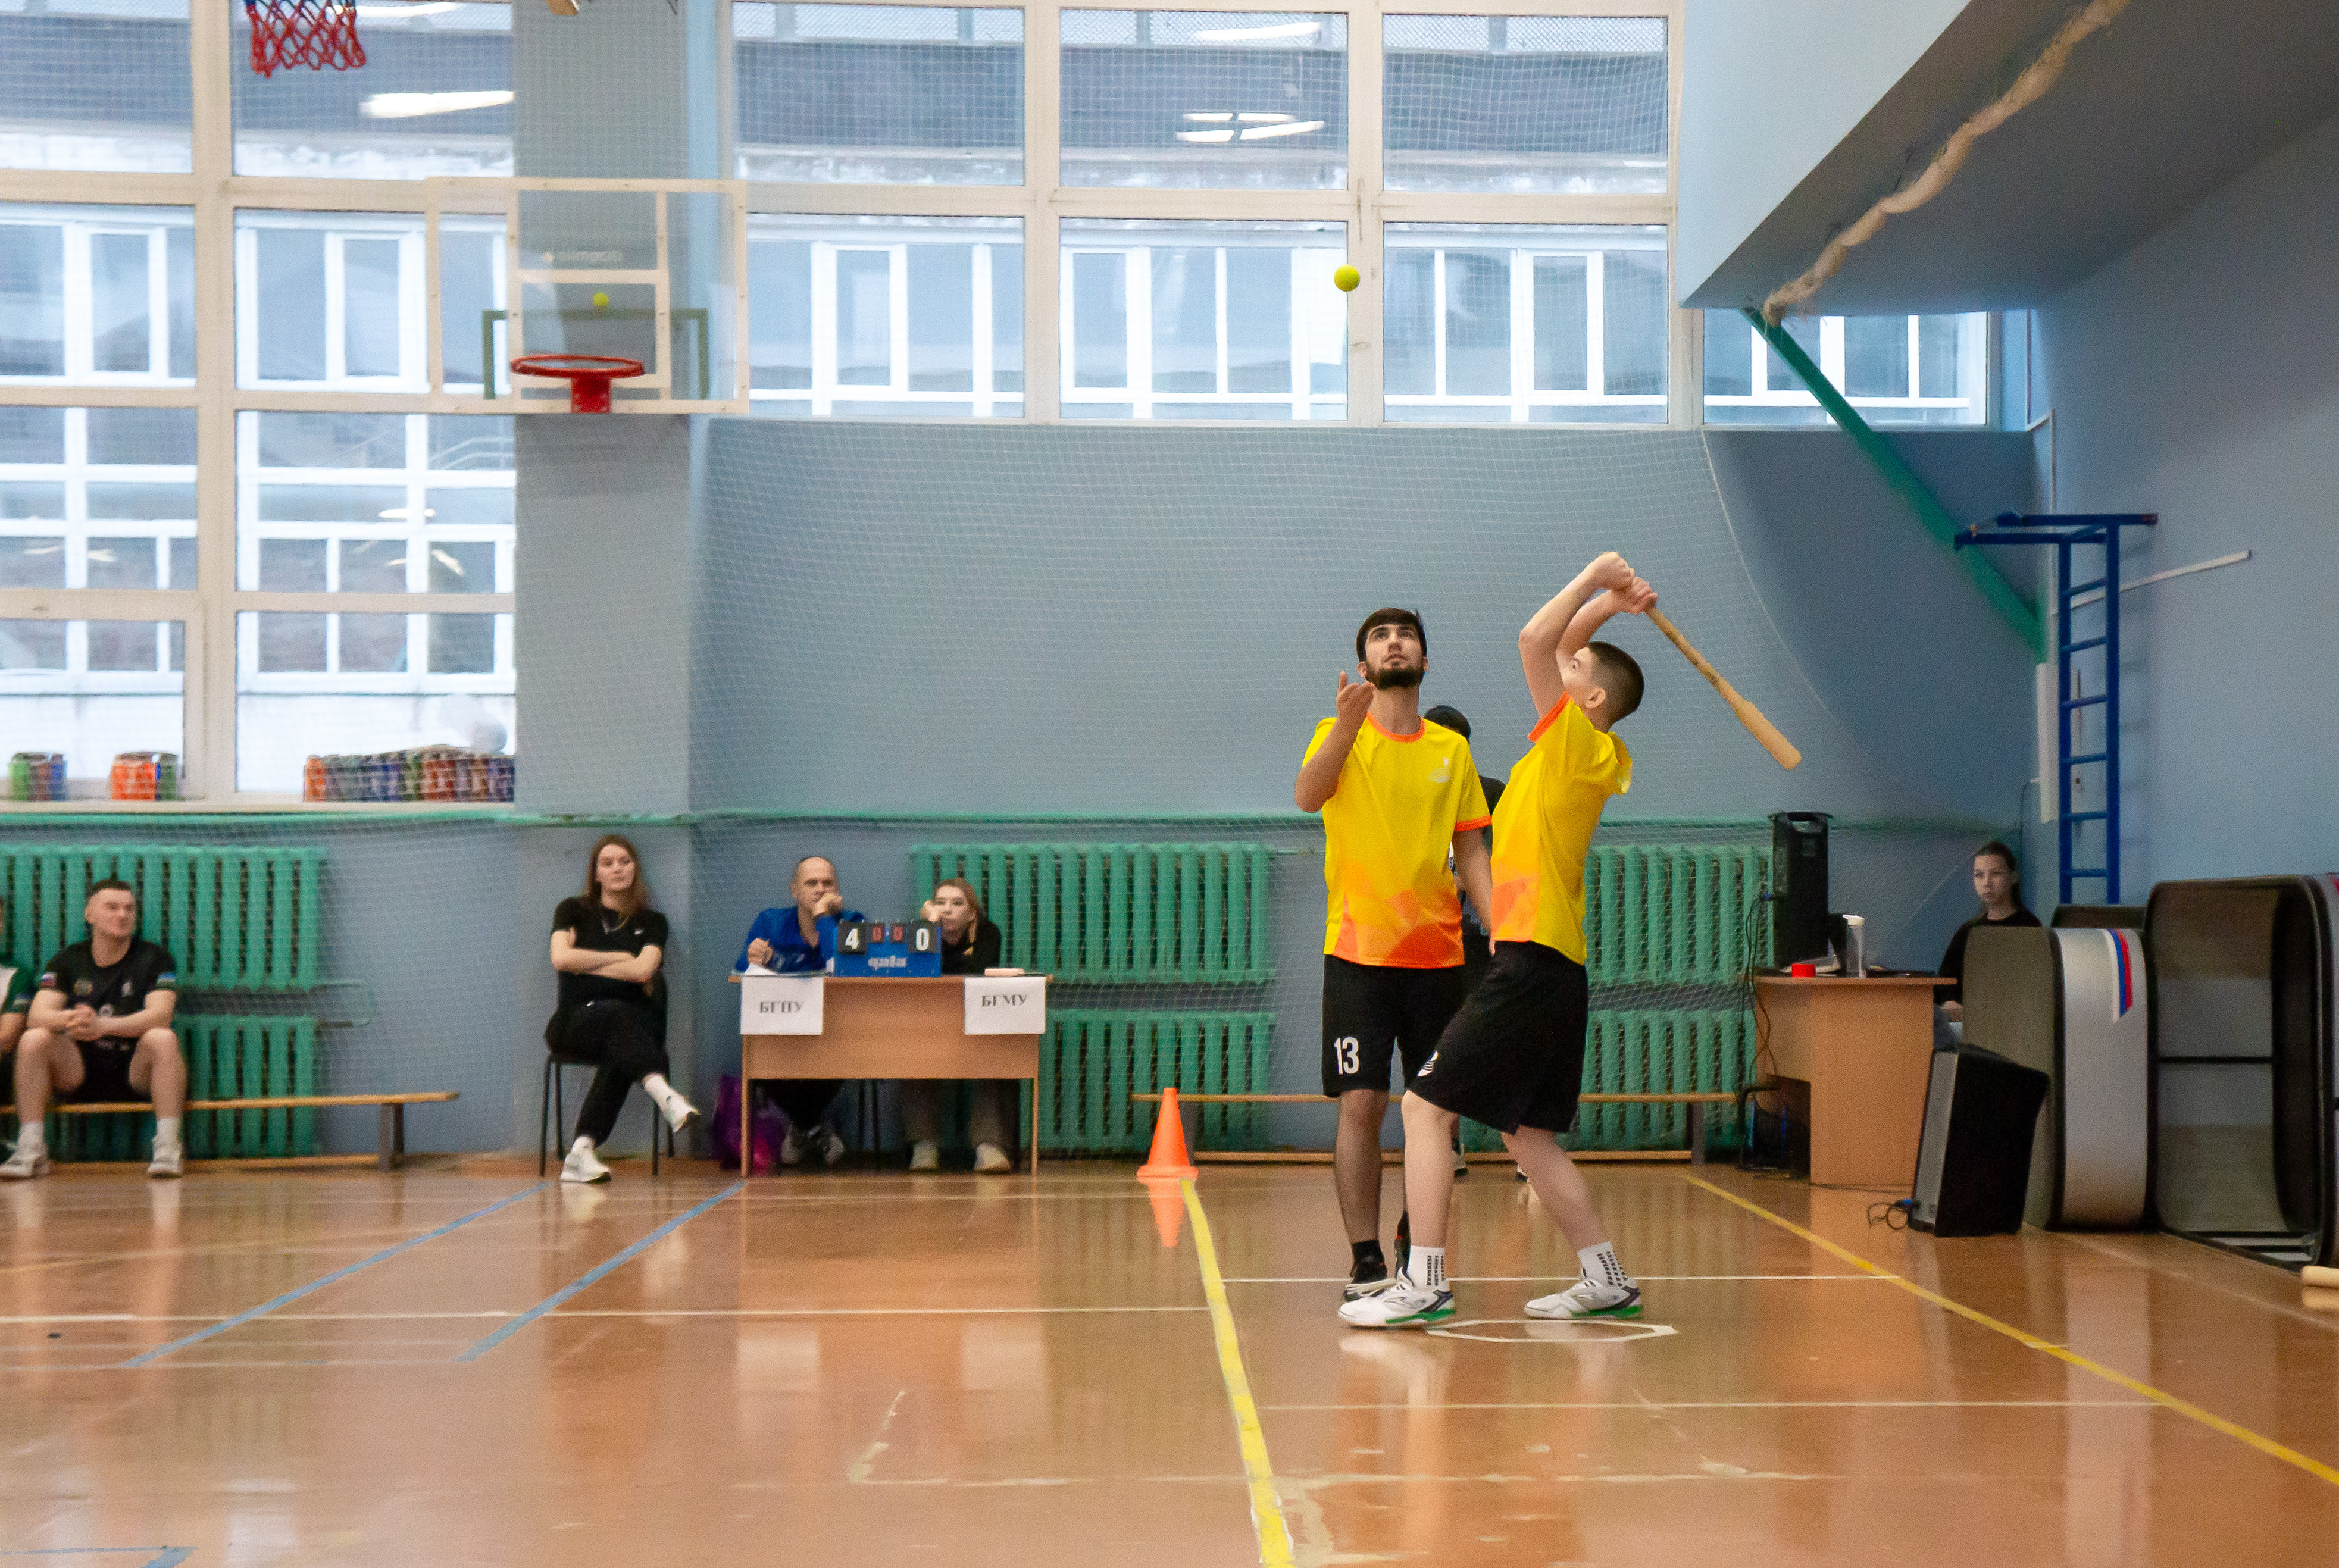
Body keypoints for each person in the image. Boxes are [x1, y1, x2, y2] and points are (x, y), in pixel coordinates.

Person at [1342, 551, 1655, 1329]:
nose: (1560, 664)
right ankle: (1606, 1278)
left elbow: (1534, 639)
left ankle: (1424, 1281)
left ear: (1589, 696)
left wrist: (1594, 574)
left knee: (1422, 1108)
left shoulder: (1576, 745)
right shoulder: (1583, 752)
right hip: (1554, 966)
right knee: (1527, 1135)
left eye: (1574, 669)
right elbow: (1562, 645)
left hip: (1532, 962)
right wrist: (1613, 606)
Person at [1295, 608, 1495, 1304]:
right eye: (1379, 637)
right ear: (1365, 665)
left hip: (1438, 958)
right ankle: (1365, 1259)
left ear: (1424, 660)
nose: (1394, 642)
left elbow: (1471, 849)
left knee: (1436, 1105)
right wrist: (1345, 725)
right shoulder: (1338, 734)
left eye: (1405, 634)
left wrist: (1501, 928)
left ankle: (1419, 1241)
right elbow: (1307, 795)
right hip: (1358, 954)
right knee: (1362, 1100)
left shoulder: (1451, 750)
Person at [2, 880, 187, 1180]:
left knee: (162, 1037)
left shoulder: (155, 958)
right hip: (76, 1070)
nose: (122, 915)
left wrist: (102, 1026)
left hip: (136, 1070)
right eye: (112, 908)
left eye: (129, 909)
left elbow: (160, 1015)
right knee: (34, 1038)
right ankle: (31, 1149)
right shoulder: (68, 959)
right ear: (89, 914)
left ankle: (168, 1148)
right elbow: (37, 1015)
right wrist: (73, 1020)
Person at [546, 835, 701, 1184]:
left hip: (629, 1028)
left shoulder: (653, 922)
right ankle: (663, 1093)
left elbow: (643, 971)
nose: (617, 869)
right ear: (596, 874)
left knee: (622, 1042)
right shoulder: (572, 910)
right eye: (608, 863)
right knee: (621, 1020)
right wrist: (620, 957)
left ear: (635, 869)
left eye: (625, 861)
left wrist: (585, 965)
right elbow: (561, 958)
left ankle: (581, 1151)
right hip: (574, 1024)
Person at [734, 855, 861, 1167]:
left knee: (838, 1046)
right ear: (794, 890)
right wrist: (754, 957)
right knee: (765, 1052)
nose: (820, 889)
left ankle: (801, 1128)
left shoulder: (853, 923)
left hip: (835, 1029)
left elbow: (840, 970)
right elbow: (742, 971)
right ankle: (813, 1127)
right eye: (811, 883)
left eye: (827, 883)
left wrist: (823, 918)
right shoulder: (770, 922)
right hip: (782, 1027)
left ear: (837, 889)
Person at [900, 877, 1015, 1174]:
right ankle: (924, 1144)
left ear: (972, 913)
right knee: (913, 1052)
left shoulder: (988, 932)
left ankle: (988, 1146)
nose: (947, 909)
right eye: (940, 903)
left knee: (996, 1053)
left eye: (957, 903)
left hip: (976, 1017)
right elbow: (920, 971)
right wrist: (930, 928)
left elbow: (979, 971)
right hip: (931, 1017)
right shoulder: (922, 932)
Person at [1934, 840, 2043, 1043]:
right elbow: (1946, 979)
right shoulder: (1968, 930)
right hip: (1964, 1021)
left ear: (2013, 877)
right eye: (1979, 875)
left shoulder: (2029, 928)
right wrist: (1950, 1002)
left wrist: (1976, 1012)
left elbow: (2027, 991)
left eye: (1996, 874)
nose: (1987, 883)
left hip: (2006, 1026)